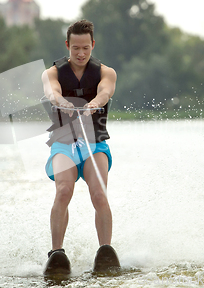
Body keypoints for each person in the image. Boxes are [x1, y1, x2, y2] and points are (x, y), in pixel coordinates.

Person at [41, 19, 119, 273]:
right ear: (68, 45)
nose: (81, 53)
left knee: (99, 194)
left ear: (93, 45)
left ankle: (105, 250)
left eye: (86, 47)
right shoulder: (52, 72)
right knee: (64, 191)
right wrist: (60, 100)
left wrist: (95, 102)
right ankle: (56, 253)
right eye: (76, 48)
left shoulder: (106, 72)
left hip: (94, 143)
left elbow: (105, 91)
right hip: (64, 143)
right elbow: (51, 91)